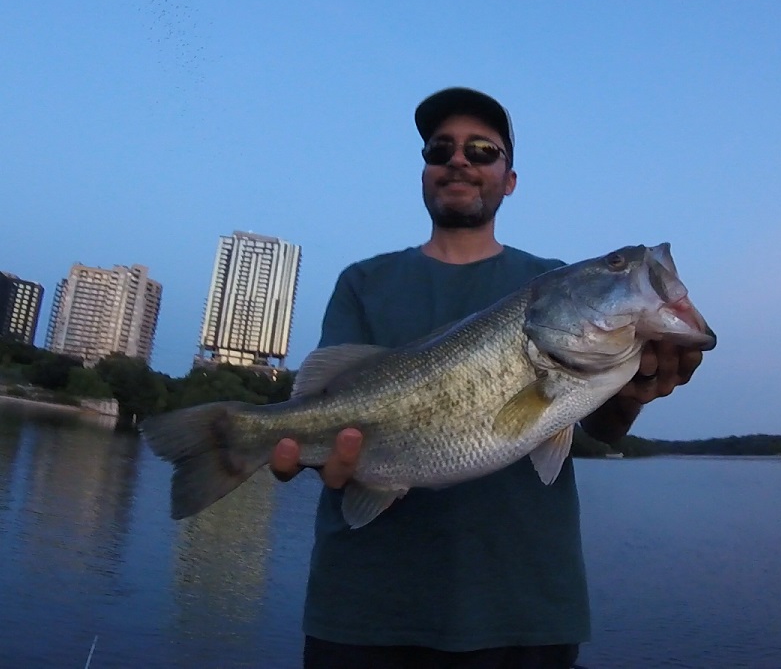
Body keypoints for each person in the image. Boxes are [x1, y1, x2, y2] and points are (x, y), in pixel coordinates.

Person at [271, 87, 704, 669]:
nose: (459, 160)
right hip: (362, 610)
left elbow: (602, 427)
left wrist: (638, 391)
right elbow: (324, 400)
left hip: (524, 611)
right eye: (440, 149)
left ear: (510, 179)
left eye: (481, 150)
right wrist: (295, 444)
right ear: (425, 170)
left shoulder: (549, 279)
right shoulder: (363, 282)